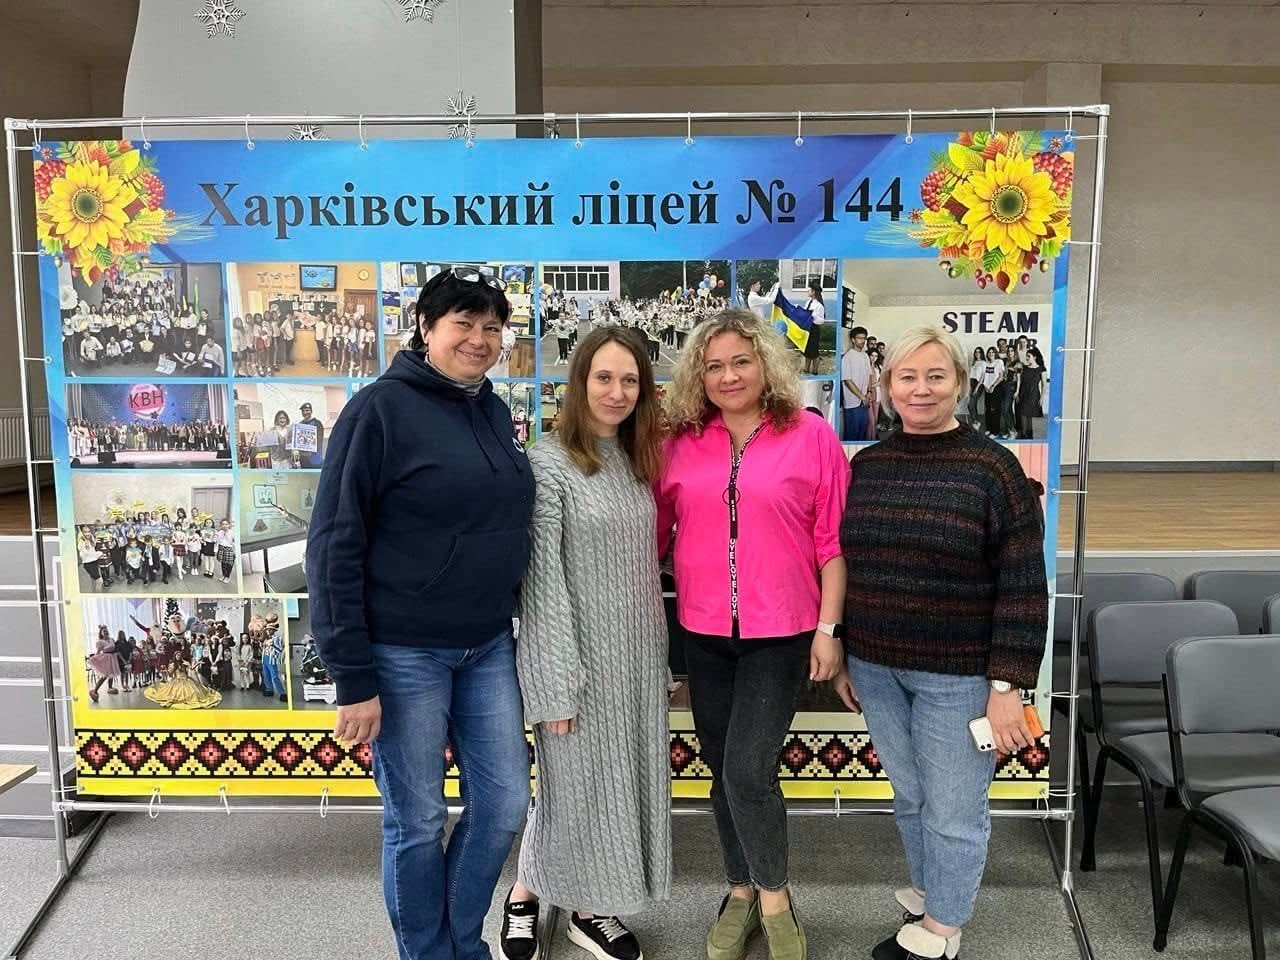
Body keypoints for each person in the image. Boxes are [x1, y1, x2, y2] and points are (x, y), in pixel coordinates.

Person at [308, 266, 534, 960]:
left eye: (491, 327)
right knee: (418, 819)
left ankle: (460, 943)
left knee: (505, 805)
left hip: (487, 645)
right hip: (404, 651)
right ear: (426, 328)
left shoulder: (490, 409)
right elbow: (334, 544)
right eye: (462, 323)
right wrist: (353, 677)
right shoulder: (378, 411)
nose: (479, 339)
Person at [835, 325, 1048, 960]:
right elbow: (849, 565)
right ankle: (933, 891)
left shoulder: (993, 468)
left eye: (936, 376)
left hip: (959, 678)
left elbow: (1023, 586)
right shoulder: (867, 466)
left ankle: (942, 930)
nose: (921, 389)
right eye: (907, 377)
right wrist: (844, 652)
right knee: (911, 795)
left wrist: (1007, 686)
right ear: (886, 385)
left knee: (953, 809)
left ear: (959, 382)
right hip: (874, 667)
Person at [656, 309, 849, 960]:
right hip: (704, 631)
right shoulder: (681, 442)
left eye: (741, 361)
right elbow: (653, 532)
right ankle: (738, 890)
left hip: (783, 632)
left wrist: (829, 629)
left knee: (747, 770)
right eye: (713, 366)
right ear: (698, 375)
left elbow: (832, 542)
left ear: (766, 364)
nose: (728, 376)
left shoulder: (811, 436)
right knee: (721, 769)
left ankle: (774, 897)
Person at [503, 328, 670, 960]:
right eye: (604, 377)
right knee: (570, 789)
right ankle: (531, 898)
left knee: (611, 790)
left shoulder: (635, 459)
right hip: (575, 661)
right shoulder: (547, 462)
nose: (617, 392)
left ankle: (583, 908)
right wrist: (553, 682)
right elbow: (541, 582)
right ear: (579, 383)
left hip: (635, 659)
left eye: (630, 380)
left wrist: (656, 665)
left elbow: (639, 571)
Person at [841, 326, 874, 442]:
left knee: (862, 434)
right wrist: (862, 397)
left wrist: (869, 392)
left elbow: (869, 375)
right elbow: (847, 380)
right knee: (852, 436)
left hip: (864, 402)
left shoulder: (865, 356)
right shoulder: (847, 357)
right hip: (852, 403)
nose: (862, 341)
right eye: (859, 338)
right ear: (853, 339)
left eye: (864, 338)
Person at [802, 280, 826, 375]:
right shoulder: (808, 302)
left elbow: (821, 321)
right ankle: (806, 369)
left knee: (814, 352)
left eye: (809, 290)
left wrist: (813, 316)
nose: (808, 291)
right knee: (807, 350)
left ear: (814, 292)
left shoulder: (819, 306)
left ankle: (815, 371)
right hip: (807, 329)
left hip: (814, 330)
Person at [298, 402, 326, 468]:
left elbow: (319, 440)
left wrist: (311, 451)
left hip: (314, 458)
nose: (305, 412)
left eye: (307, 410)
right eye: (303, 411)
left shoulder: (317, 423)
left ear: (311, 411)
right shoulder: (300, 424)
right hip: (304, 458)